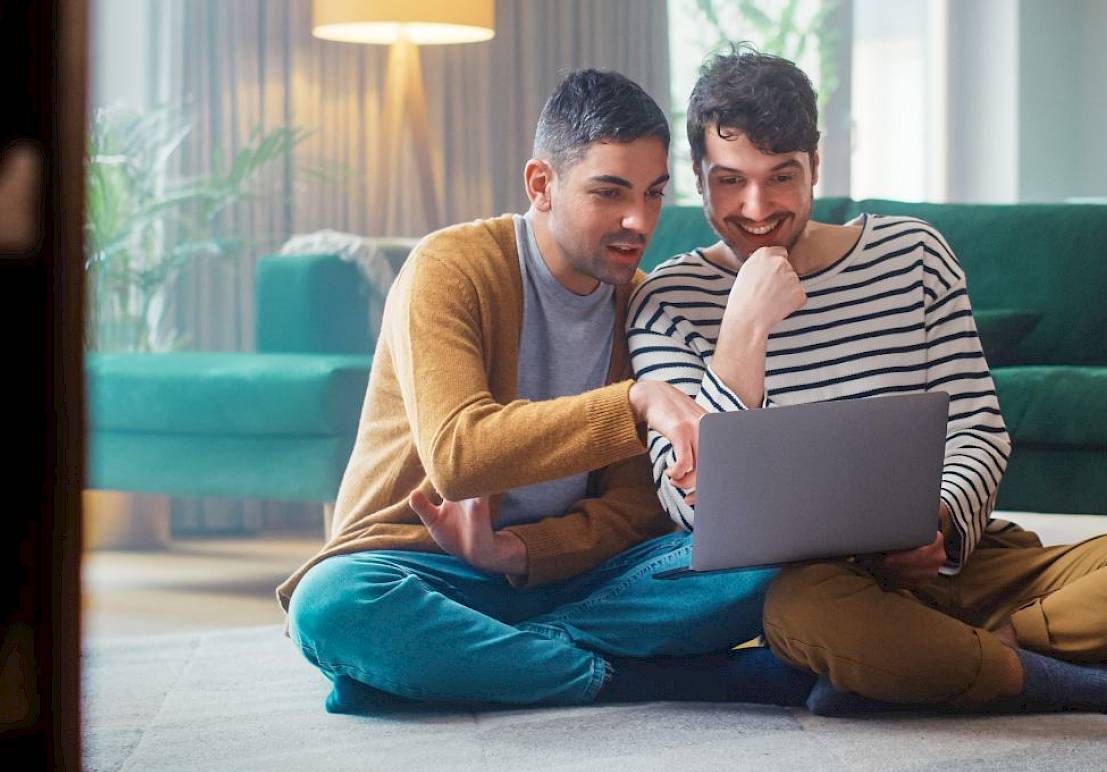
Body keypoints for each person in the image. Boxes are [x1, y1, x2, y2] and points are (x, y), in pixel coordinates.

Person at [628, 48, 1107, 715]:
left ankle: (946, 663)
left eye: (781, 176)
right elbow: (693, 509)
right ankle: (1083, 682)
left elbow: (979, 430)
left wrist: (943, 524)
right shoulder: (667, 301)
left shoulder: (913, 255)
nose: (756, 206)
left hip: (967, 562)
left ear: (815, 166)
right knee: (799, 613)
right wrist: (742, 331)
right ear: (698, 179)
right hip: (825, 589)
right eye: (730, 181)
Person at [279, 69, 811, 714]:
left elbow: (636, 510)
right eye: (608, 192)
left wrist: (520, 551)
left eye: (652, 194)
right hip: (426, 571)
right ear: (542, 185)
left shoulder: (641, 300)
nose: (636, 220)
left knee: (771, 559)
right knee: (333, 605)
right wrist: (634, 401)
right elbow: (458, 454)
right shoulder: (450, 268)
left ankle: (471, 664)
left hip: (573, 580)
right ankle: (665, 681)